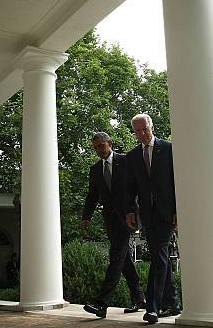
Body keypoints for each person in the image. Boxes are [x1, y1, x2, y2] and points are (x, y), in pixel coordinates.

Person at [82, 132, 146, 318]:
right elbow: (92, 195)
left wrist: (136, 212)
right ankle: (140, 299)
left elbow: (138, 187)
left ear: (110, 143)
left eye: (101, 146)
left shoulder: (126, 161)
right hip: (110, 219)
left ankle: (102, 303)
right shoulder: (95, 170)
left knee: (116, 256)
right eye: (95, 148)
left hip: (128, 217)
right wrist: (86, 217)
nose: (98, 150)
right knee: (123, 259)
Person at [125, 114, 179, 324]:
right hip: (147, 214)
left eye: (144, 129)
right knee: (160, 256)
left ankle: (153, 307)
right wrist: (131, 211)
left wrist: (177, 209)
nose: (141, 134)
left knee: (158, 256)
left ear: (152, 126)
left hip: (167, 212)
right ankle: (173, 303)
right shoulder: (132, 156)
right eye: (137, 131)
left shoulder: (168, 149)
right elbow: (130, 188)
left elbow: (176, 181)